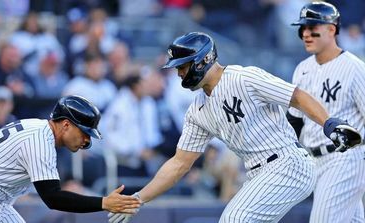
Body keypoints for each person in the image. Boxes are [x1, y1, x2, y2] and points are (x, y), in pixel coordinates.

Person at [107, 32, 362, 223]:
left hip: (288, 163)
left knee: (235, 219)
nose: (178, 74)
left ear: (202, 60)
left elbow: (296, 96)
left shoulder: (243, 77)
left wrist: (328, 122)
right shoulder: (197, 110)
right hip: (256, 173)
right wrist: (139, 198)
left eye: (182, 67)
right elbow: (179, 164)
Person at [0, 95, 141, 222]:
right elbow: (53, 198)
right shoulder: (39, 139)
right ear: (65, 125)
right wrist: (104, 202)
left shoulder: (40, 130)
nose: (87, 140)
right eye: (84, 132)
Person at [288, 2, 365, 223]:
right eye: (302, 28)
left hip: (347, 158)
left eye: (312, 27)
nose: (305, 34)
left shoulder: (354, 68)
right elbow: (294, 120)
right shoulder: (302, 68)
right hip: (315, 161)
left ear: (331, 29)